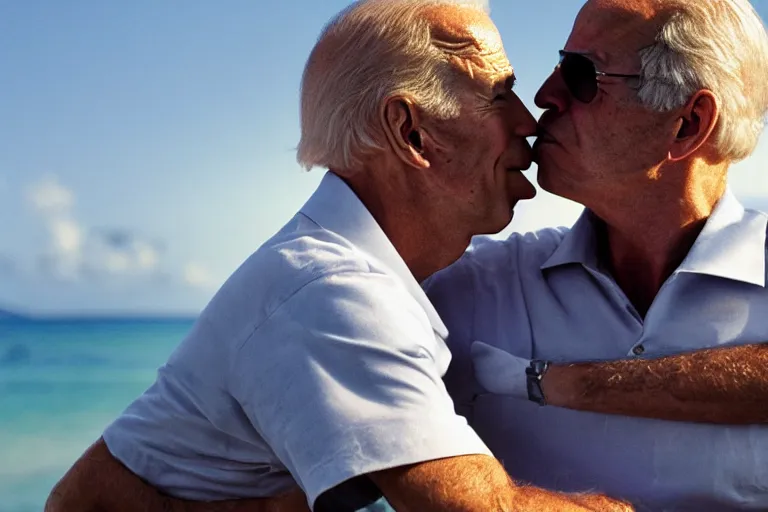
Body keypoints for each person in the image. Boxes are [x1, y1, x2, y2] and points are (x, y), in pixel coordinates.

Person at [45, 1, 633, 511]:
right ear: (411, 133)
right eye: (499, 95)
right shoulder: (335, 291)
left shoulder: (352, 273)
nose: (528, 122)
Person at [423, 0, 768, 509]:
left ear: (688, 123)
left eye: (582, 75)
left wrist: (554, 383)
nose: (544, 96)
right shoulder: (470, 289)